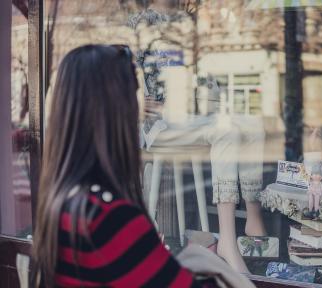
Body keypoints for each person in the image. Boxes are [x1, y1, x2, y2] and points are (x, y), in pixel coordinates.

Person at [31, 44, 222, 287]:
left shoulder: (61, 202)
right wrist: (208, 262)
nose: (141, 110)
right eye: (134, 96)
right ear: (119, 113)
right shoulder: (110, 219)